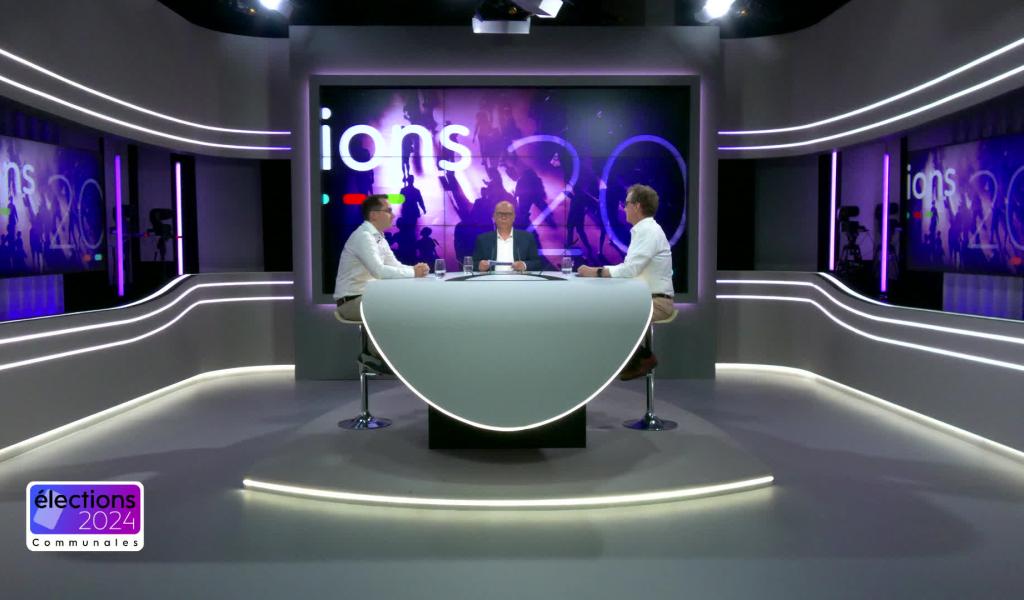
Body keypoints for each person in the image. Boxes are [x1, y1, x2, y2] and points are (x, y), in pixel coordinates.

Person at [577, 184, 674, 380]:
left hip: (656, 302)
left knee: (608, 314)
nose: (623, 207)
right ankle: (634, 357)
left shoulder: (649, 232)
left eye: (626, 203)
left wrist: (596, 271)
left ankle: (642, 357)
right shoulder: (643, 231)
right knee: (601, 308)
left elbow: (630, 270)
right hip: (644, 298)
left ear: (637, 206)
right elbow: (630, 268)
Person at [334, 194, 429, 323]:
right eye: (388, 211)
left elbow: (394, 264)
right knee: (407, 308)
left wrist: (414, 269)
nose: (393, 215)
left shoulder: (379, 237)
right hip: (352, 302)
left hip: (368, 298)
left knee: (412, 303)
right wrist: (413, 272)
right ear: (374, 215)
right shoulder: (364, 236)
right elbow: (379, 271)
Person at [472, 200, 544, 273]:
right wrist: (479, 265)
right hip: (491, 279)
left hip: (519, 279)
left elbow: (537, 263)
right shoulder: (483, 239)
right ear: (494, 216)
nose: (504, 217)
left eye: (508, 214)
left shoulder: (527, 238)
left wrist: (524, 265)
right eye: (500, 214)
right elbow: (473, 264)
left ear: (514, 217)